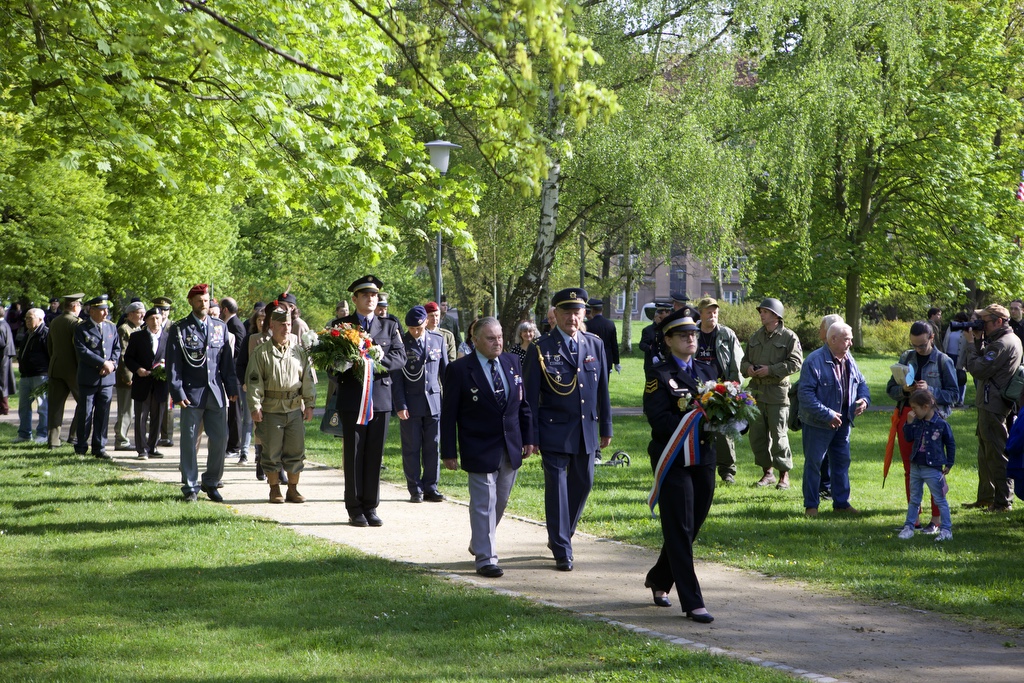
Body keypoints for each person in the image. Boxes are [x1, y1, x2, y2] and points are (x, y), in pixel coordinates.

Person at [523, 287, 612, 571]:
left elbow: (602, 390)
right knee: (558, 489)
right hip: (553, 430)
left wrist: (606, 425)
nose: (572, 318)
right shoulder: (541, 348)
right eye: (566, 312)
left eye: (577, 312)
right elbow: (529, 399)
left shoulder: (594, 344)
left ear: (584, 313)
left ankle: (561, 536)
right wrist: (531, 436)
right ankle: (562, 549)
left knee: (583, 483)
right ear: (555, 315)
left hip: (586, 429)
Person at [442, 317, 535, 578]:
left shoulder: (512, 362)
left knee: (500, 502)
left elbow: (523, 404)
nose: (498, 343)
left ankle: (479, 541)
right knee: (484, 502)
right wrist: (449, 451)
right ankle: (486, 558)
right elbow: (448, 415)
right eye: (491, 338)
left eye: (501, 337)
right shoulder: (459, 370)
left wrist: (529, 438)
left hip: (510, 444)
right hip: (478, 445)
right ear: (475, 341)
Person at [642, 310, 717, 623]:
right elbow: (659, 421)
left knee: (692, 524)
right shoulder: (658, 375)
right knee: (679, 526)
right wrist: (695, 421)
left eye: (694, 334)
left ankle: (660, 578)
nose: (691, 338)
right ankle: (693, 601)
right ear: (669, 340)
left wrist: (733, 417)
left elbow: (723, 406)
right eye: (683, 335)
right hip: (672, 458)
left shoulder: (707, 370)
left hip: (704, 458)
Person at [335, 275, 406, 527]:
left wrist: (372, 363)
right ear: (354, 299)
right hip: (353, 399)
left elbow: (399, 358)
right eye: (365, 295)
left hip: (380, 398)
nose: (370, 299)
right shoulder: (341, 326)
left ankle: (371, 506)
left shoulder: (389, 326)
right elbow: (331, 364)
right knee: (354, 454)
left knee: (375, 454)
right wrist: (350, 364)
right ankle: (354, 508)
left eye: (373, 295)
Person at [167, 284, 239, 503]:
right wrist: (177, 392)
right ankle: (190, 486)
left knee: (221, 439)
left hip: (216, 392)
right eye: (199, 300)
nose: (203, 304)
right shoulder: (180, 328)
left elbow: (226, 362)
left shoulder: (220, 327)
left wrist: (232, 388)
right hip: (191, 393)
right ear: (191, 302)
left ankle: (211, 482)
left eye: (206, 300)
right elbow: (173, 365)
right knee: (189, 441)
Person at [885, 321, 958, 531]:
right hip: (908, 417)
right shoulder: (906, 358)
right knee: (911, 468)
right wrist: (905, 390)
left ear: (932, 338)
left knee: (934, 470)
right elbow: (890, 389)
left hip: (933, 422)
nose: (917, 349)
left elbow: (954, 395)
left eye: (921, 345)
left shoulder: (943, 361)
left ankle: (936, 520)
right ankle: (913, 518)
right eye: (914, 345)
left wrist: (931, 390)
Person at [246, 304, 316, 504]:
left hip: (294, 408)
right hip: (271, 409)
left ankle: (293, 489)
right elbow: (254, 381)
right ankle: (274, 488)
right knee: (271, 451)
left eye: (288, 324)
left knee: (296, 450)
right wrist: (255, 406)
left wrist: (309, 404)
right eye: (281, 325)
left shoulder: (298, 351)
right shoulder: (261, 353)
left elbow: (307, 379)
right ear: (272, 325)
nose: (286, 328)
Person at [799, 322, 870, 516]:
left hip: (843, 423)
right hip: (818, 424)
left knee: (841, 462)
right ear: (832, 340)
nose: (851, 343)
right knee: (814, 463)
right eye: (847, 339)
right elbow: (805, 396)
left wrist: (863, 399)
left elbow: (862, 383)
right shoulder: (814, 361)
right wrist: (827, 414)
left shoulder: (849, 359)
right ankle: (811, 506)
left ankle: (841, 503)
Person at [962, 303, 1022, 513]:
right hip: (990, 402)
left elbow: (978, 369)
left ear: (998, 321)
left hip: (994, 404)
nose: (981, 325)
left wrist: (970, 344)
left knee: (996, 453)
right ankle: (986, 497)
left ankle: (1003, 501)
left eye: (985, 321)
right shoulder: (1000, 340)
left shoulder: (1002, 344)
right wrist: (978, 340)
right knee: (985, 452)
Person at [741, 298, 803, 490]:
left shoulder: (789, 337)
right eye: (761, 312)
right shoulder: (755, 337)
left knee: (779, 435)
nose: (761, 314)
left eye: (765, 312)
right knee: (757, 436)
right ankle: (767, 473)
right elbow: (743, 361)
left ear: (776, 315)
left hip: (777, 392)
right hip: (756, 393)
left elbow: (796, 363)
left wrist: (771, 369)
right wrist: (749, 368)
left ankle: (783, 475)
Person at [393, 305, 449, 503]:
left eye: (419, 327)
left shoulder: (437, 340)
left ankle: (431, 487)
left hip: (433, 402)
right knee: (411, 447)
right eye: (411, 328)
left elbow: (445, 373)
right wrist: (400, 404)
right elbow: (397, 377)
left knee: (433, 446)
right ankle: (415, 488)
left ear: (426, 322)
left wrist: (448, 402)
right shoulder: (402, 344)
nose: (415, 332)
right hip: (410, 403)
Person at [693, 297, 744, 484]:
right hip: (697, 389)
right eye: (709, 312)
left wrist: (734, 386)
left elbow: (736, 362)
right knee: (698, 429)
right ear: (701, 313)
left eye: (715, 312)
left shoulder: (726, 334)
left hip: (722, 388)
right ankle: (699, 466)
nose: (712, 315)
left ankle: (727, 471)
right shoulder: (692, 332)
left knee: (724, 430)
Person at [897, 389, 955, 542]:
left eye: (915, 408)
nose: (912, 411)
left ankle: (946, 529)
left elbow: (950, 443)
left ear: (926, 407)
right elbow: (908, 438)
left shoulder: (941, 424)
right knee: (914, 499)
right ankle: (909, 527)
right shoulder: (916, 422)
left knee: (940, 499)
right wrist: (908, 424)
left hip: (932, 468)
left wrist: (949, 463)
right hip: (916, 466)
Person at [72, 295, 121, 459]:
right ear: (92, 311)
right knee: (85, 413)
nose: (106, 313)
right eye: (102, 310)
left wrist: (112, 364)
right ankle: (81, 446)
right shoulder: (81, 328)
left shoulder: (111, 327)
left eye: (106, 310)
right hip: (89, 378)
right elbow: (82, 351)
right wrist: (102, 363)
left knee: (103, 413)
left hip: (107, 380)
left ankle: (99, 447)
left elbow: (117, 349)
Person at [123, 308, 169, 459]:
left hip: (160, 384)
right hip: (142, 383)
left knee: (158, 416)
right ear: (146, 321)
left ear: (162, 319)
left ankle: (152, 446)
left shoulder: (168, 337)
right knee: (141, 416)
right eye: (152, 319)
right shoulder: (137, 337)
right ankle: (142, 449)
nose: (155, 321)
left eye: (157, 318)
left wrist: (165, 368)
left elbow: (174, 360)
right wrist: (137, 369)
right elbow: (128, 358)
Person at [46, 293, 84, 448]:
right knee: (84, 403)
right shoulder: (76, 323)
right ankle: (74, 436)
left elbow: (49, 346)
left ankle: (53, 441)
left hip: (55, 368)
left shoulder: (55, 321)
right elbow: (78, 349)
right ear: (75, 306)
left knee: (55, 406)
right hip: (73, 370)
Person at [234, 302, 265, 465]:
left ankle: (261, 453)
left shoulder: (272, 339)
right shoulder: (249, 339)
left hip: (267, 388)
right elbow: (241, 364)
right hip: (250, 386)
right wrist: (244, 382)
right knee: (248, 419)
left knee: (263, 420)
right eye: (259, 320)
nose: (261, 323)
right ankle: (244, 452)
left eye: (264, 320)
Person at [114, 301, 145, 451]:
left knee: (130, 410)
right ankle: (121, 440)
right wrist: (127, 377)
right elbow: (122, 355)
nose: (142, 315)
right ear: (130, 314)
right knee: (125, 410)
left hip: (136, 377)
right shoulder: (124, 329)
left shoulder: (138, 329)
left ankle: (122, 437)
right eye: (139, 312)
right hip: (127, 378)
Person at [219, 297, 248, 461]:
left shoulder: (235, 325)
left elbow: (237, 350)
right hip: (231, 374)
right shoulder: (233, 323)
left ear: (224, 309)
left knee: (235, 413)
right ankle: (232, 445)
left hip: (235, 375)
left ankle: (234, 446)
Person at [14, 308, 49, 442]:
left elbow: (51, 354)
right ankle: (24, 434)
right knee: (24, 407)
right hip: (26, 376)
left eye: (30, 318)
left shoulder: (45, 334)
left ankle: (42, 434)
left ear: (40, 319)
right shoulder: (27, 334)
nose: (27, 321)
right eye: (26, 318)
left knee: (43, 406)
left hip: (41, 375)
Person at [584, 298, 620, 374]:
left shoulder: (587, 325)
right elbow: (614, 344)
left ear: (592, 310)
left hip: (591, 358)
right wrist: (616, 362)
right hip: (606, 358)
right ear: (602, 309)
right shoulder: (610, 324)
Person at [639, 299, 673, 374]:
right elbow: (642, 345)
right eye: (658, 316)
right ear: (655, 317)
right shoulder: (648, 330)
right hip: (651, 363)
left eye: (661, 315)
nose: (660, 318)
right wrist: (650, 348)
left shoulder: (669, 328)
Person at [942, 312, 969, 406]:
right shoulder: (951, 327)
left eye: (960, 321)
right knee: (949, 377)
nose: (958, 322)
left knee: (960, 377)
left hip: (960, 356)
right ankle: (950, 399)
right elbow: (945, 340)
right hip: (948, 355)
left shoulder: (966, 329)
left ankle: (960, 400)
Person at [0, 305, 16, 416]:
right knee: (3, 381)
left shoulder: (1, 326)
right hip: (6, 355)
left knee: (2, 381)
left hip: (2, 356)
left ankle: (3, 407)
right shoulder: (5, 324)